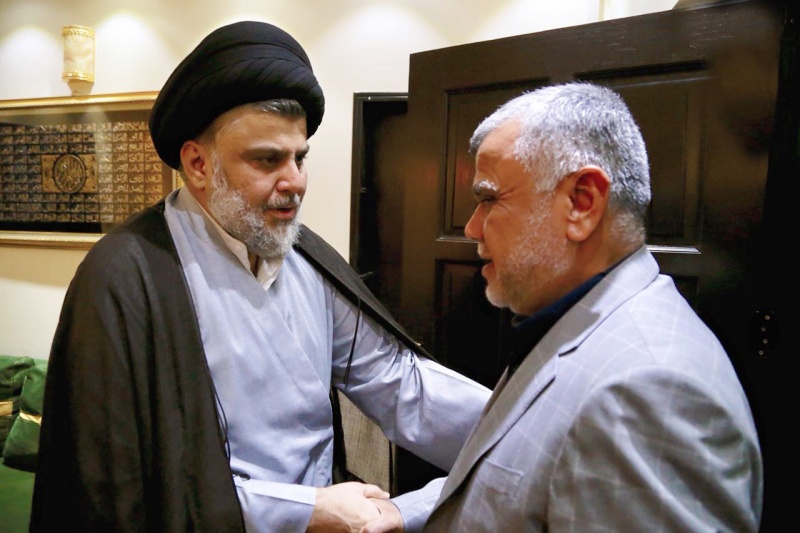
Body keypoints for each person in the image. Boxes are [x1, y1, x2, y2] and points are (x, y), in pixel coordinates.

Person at [29, 21, 491, 532]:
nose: (295, 182)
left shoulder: (307, 258)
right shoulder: (125, 276)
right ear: (198, 164)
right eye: (268, 160)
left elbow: (396, 380)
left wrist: (517, 425)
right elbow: (132, 480)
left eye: (300, 158)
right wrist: (308, 509)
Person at [362, 82, 763, 532]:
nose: (472, 228)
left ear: (581, 203)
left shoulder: (646, 392)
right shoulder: (571, 324)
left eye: (489, 199)